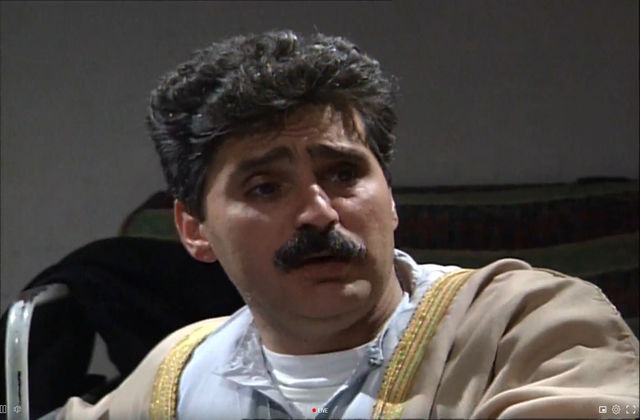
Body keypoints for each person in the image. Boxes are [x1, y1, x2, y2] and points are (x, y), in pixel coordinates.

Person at [57, 30, 639, 419]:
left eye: (343, 173)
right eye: (265, 188)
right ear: (195, 229)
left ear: (390, 198)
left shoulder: (528, 324)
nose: (319, 212)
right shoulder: (178, 372)